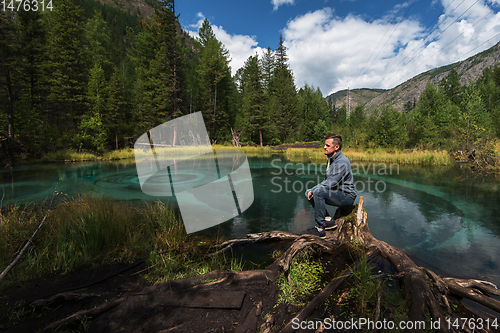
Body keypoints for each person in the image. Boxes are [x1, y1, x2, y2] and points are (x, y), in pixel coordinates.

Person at [302, 134, 357, 238]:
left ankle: (320, 229)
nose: (324, 147)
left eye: (327, 145)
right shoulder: (331, 159)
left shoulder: (342, 161)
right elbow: (327, 180)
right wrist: (312, 190)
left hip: (347, 197)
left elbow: (331, 183)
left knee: (317, 192)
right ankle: (328, 220)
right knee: (308, 192)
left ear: (336, 147)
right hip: (337, 193)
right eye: (325, 145)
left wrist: (314, 189)